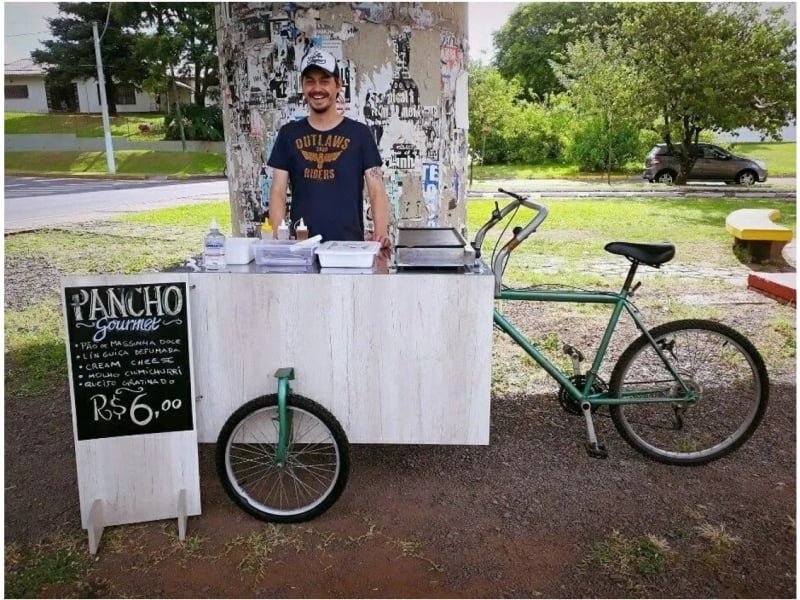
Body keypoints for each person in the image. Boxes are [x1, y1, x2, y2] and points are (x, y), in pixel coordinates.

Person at [267, 47, 391, 247]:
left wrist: (380, 233)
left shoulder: (360, 134)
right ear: (303, 86)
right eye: (310, 81)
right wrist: (277, 234)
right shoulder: (288, 134)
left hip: (349, 249)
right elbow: (278, 191)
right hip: (302, 247)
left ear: (338, 85)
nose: (317, 88)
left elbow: (376, 190)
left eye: (324, 81)